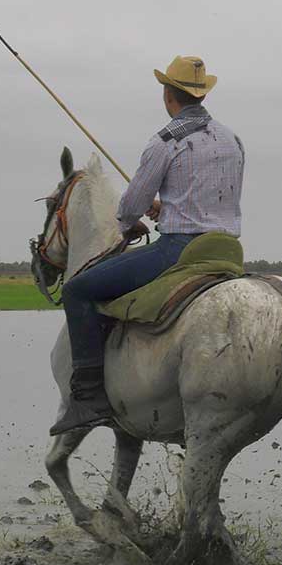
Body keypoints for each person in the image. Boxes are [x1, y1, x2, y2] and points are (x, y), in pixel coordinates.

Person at [50, 55, 245, 436]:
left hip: (178, 252)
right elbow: (215, 198)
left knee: (77, 290)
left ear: (167, 94)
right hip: (226, 251)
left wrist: (130, 219)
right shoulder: (232, 139)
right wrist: (169, 206)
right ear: (201, 95)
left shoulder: (166, 141)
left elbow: (130, 207)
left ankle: (89, 399)